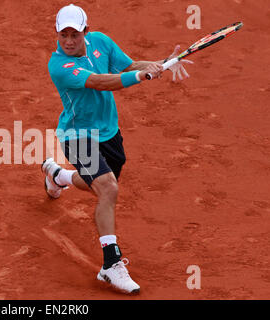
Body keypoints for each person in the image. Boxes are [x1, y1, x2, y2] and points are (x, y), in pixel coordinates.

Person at [42, 4, 192, 294]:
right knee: (108, 188)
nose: (69, 40)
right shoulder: (59, 66)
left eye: (75, 34)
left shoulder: (101, 42)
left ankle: (57, 175)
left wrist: (162, 63)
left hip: (108, 132)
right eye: (64, 35)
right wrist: (140, 77)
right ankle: (111, 265)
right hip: (77, 136)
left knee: (97, 186)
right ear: (57, 35)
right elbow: (101, 82)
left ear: (86, 31)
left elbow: (128, 65)